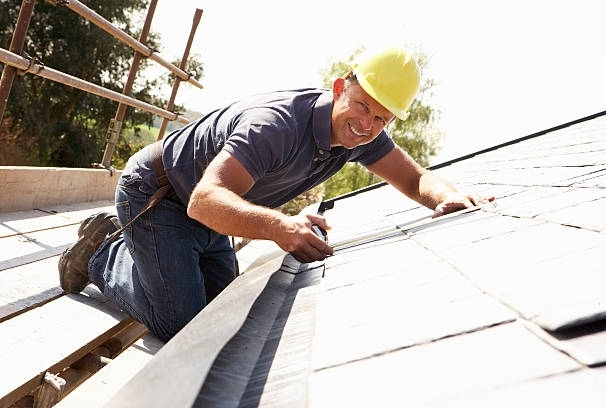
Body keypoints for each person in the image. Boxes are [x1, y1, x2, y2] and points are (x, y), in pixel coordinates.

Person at [58, 47, 494, 342]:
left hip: (210, 212)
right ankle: (102, 251)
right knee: (185, 327)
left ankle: (140, 252)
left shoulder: (360, 137)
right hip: (160, 196)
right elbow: (204, 199)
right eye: (363, 106)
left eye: (381, 118)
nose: (367, 125)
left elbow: (415, 180)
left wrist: (450, 197)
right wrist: (280, 226)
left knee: (224, 314)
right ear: (341, 88)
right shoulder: (277, 126)